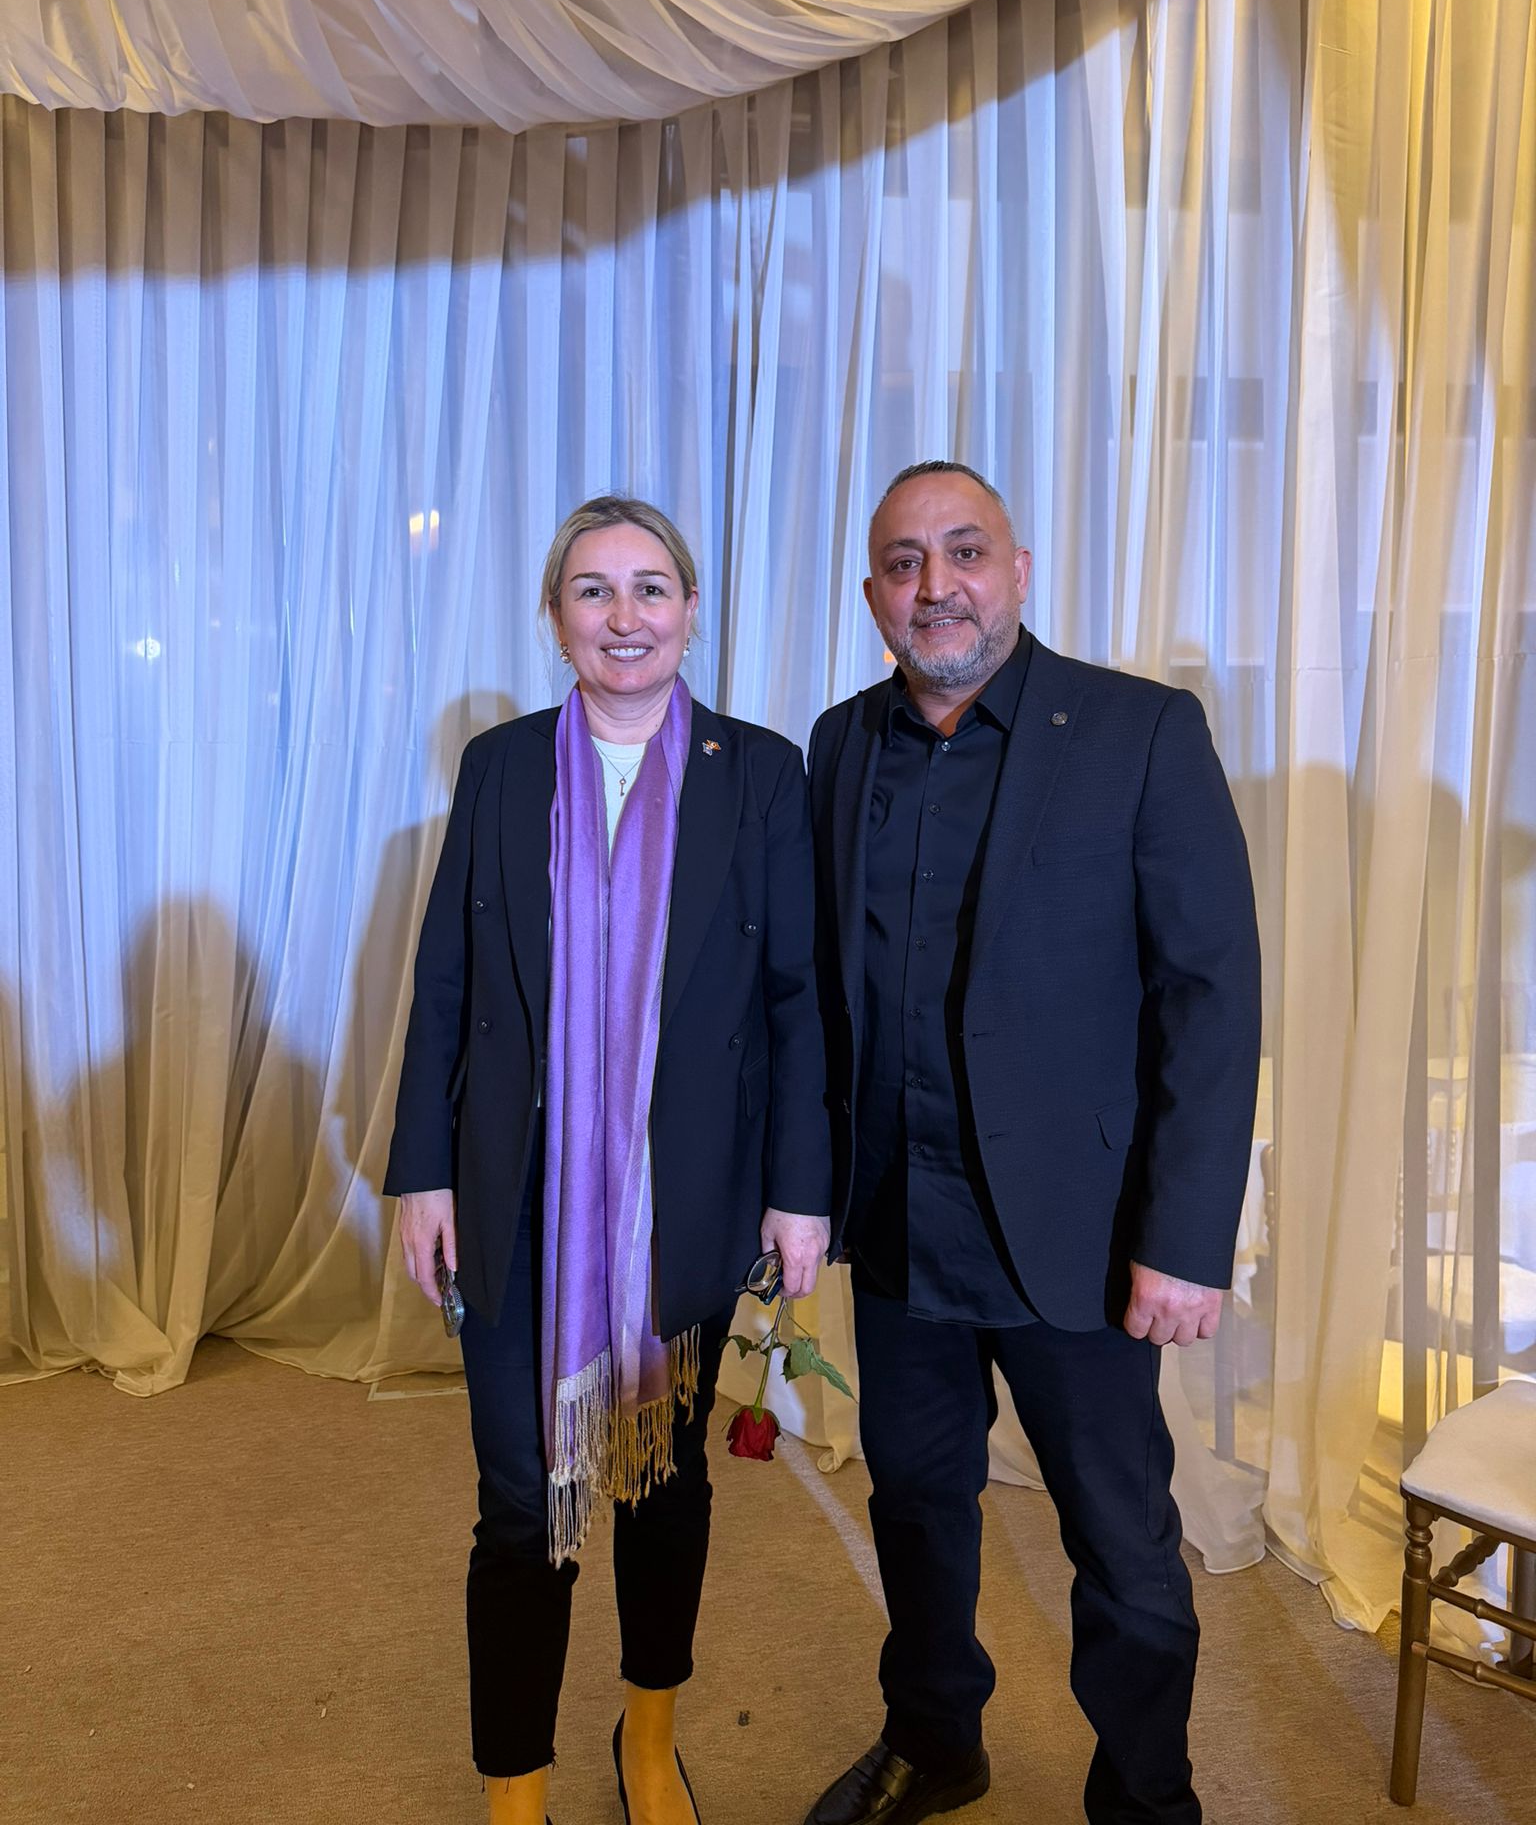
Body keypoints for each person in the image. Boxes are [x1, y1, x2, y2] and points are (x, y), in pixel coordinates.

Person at [802, 462, 1261, 1825]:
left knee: (1121, 1543)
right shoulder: (840, 743)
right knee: (914, 1505)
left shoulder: (1140, 731)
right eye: (904, 563)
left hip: (1079, 1232)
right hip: (898, 1221)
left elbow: (1211, 996)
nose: (935, 586)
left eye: (964, 553)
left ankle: (1148, 1799)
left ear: (1017, 569)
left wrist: (1186, 1241)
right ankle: (937, 1740)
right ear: (873, 594)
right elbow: (818, 988)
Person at [386, 496, 830, 1825]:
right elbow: (448, 980)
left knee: (662, 1479)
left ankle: (648, 1736)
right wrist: (420, 1170)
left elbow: (798, 1001)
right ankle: (514, 1789)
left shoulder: (762, 773)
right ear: (556, 616)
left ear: (691, 611)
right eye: (593, 590)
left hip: (683, 1201)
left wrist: (800, 1189)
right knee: (521, 1503)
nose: (623, 616)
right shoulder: (501, 766)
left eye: (650, 588)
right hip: (512, 1196)